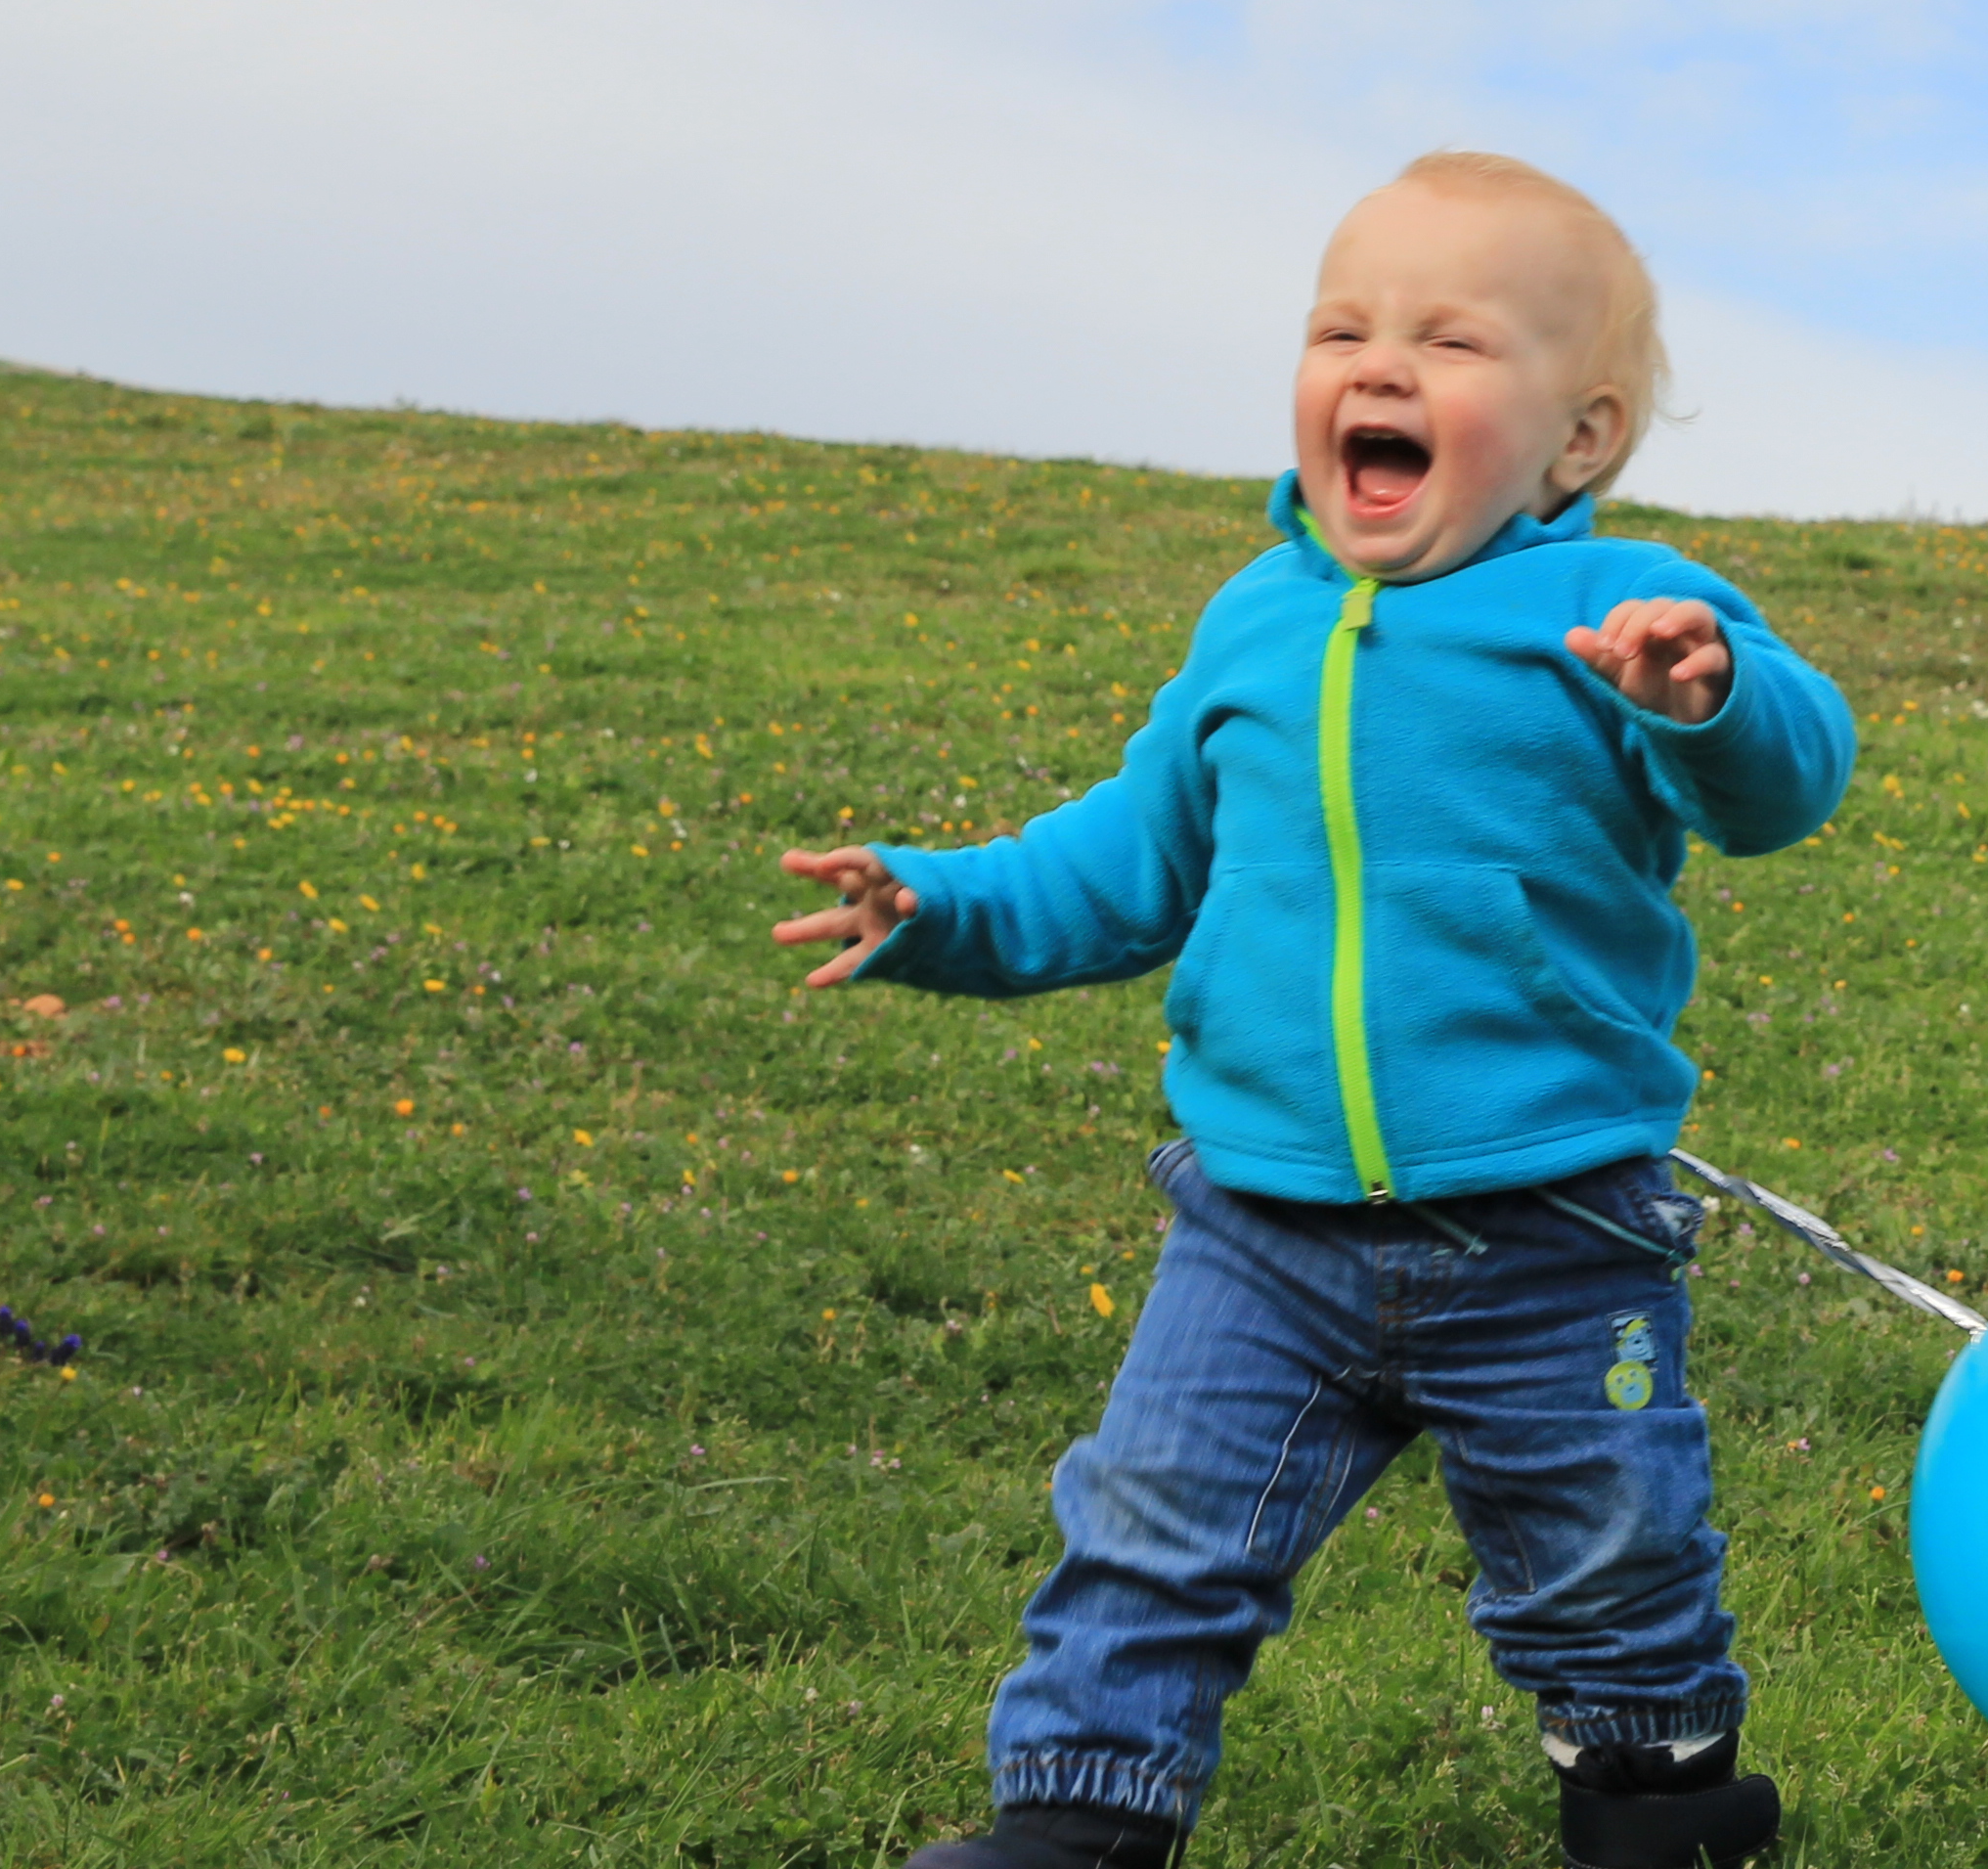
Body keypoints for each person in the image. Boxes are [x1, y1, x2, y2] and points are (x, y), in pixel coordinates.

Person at [771, 152, 1855, 1869]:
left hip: (1551, 1222)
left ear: (1578, 441)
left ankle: (1664, 1808)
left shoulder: (1617, 610)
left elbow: (1789, 780)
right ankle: (1074, 1827)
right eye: (1343, 328)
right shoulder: (1256, 627)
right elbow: (1129, 862)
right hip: (1259, 1232)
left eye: (1451, 342)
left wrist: (1708, 698)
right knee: (1150, 1534)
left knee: (1610, 1556)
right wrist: (944, 904)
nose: (1380, 369)